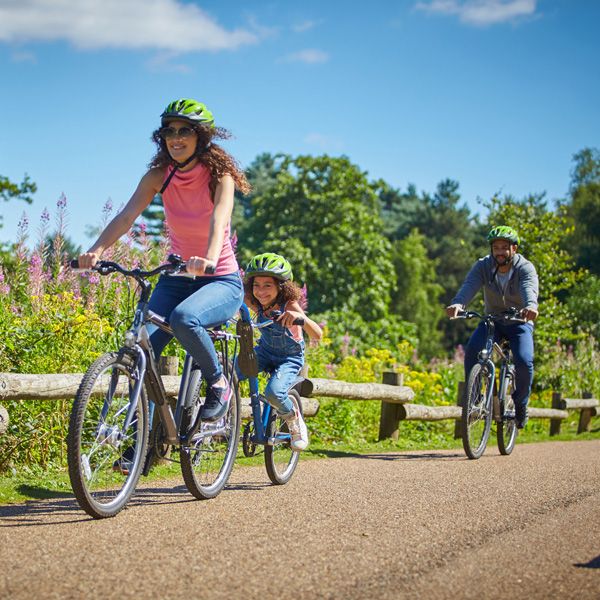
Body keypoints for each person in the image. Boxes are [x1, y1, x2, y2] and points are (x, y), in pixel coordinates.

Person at [78, 98, 250, 435]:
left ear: (201, 136)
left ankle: (218, 384)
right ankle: (140, 441)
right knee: (142, 351)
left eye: (185, 130)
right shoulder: (159, 176)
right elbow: (127, 216)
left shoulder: (220, 176)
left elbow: (219, 218)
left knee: (184, 318)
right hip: (177, 278)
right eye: (169, 131)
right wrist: (95, 250)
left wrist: (211, 258)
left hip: (221, 281)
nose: (176, 137)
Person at [446, 226, 539, 429]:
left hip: (519, 323)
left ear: (514, 249)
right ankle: (476, 397)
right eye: (496, 247)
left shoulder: (525, 268)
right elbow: (469, 286)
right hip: (493, 320)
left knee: (524, 361)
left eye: (504, 247)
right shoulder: (483, 266)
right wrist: (458, 304)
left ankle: (521, 403)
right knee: (472, 350)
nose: (499, 252)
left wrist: (530, 307)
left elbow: (528, 290)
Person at [238, 253, 323, 451]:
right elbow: (233, 301)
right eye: (256, 285)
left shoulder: (289, 305)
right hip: (265, 352)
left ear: (281, 286)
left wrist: (298, 318)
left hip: (290, 357)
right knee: (230, 371)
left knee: (274, 393)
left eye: (267, 285)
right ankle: (223, 419)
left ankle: (293, 419)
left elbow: (317, 333)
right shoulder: (253, 301)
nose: (261, 291)